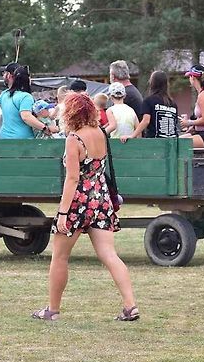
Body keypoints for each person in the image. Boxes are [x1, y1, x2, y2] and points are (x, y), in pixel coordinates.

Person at [31, 92, 138, 322]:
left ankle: (52, 310)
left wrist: (62, 213)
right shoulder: (100, 133)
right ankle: (130, 306)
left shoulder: (74, 139)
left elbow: (72, 180)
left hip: (78, 202)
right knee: (110, 255)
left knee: (59, 257)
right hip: (100, 199)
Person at [0, 66, 58, 138]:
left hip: (3, 137)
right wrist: (45, 128)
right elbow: (26, 117)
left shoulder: (4, 94)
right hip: (22, 140)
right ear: (27, 80)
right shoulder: (26, 97)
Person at [134, 70, 179, 139]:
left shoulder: (148, 101)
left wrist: (132, 135)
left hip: (154, 142)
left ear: (152, 83)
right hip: (171, 142)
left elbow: (146, 121)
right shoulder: (172, 103)